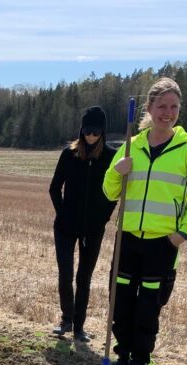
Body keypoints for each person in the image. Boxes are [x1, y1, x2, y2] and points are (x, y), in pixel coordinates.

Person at [103, 78, 187, 365]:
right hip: (128, 238)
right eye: (161, 106)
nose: (168, 112)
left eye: (174, 106)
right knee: (121, 302)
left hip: (163, 243)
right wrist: (115, 171)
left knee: (149, 305)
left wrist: (182, 232)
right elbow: (109, 192)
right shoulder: (130, 145)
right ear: (149, 108)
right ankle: (122, 356)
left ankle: (140, 361)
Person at [48, 105, 117, 342]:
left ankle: (79, 327)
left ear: (103, 132)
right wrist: (63, 214)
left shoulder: (110, 156)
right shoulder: (69, 154)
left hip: (93, 229)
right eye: (87, 131)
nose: (90, 136)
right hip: (65, 227)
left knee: (83, 278)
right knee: (65, 273)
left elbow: (114, 194)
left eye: (95, 132)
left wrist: (103, 219)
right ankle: (66, 320)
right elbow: (54, 188)